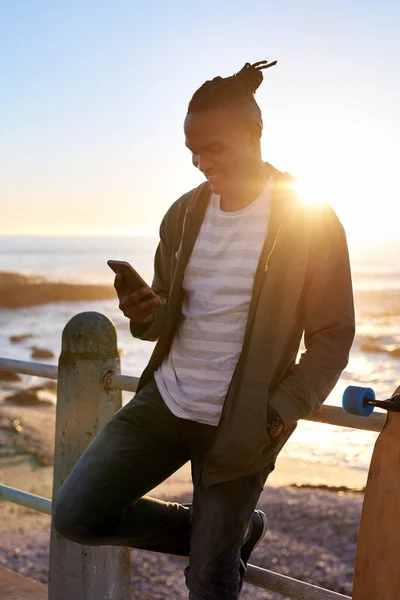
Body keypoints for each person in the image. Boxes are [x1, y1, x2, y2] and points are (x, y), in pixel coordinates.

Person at [53, 60, 356, 599]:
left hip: (243, 424)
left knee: (210, 581)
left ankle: (224, 536)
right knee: (77, 513)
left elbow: (333, 336)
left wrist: (278, 410)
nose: (199, 162)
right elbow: (168, 316)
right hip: (165, 402)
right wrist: (145, 313)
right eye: (191, 150)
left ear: (253, 134)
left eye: (212, 147)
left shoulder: (309, 219)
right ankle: (233, 531)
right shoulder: (184, 214)